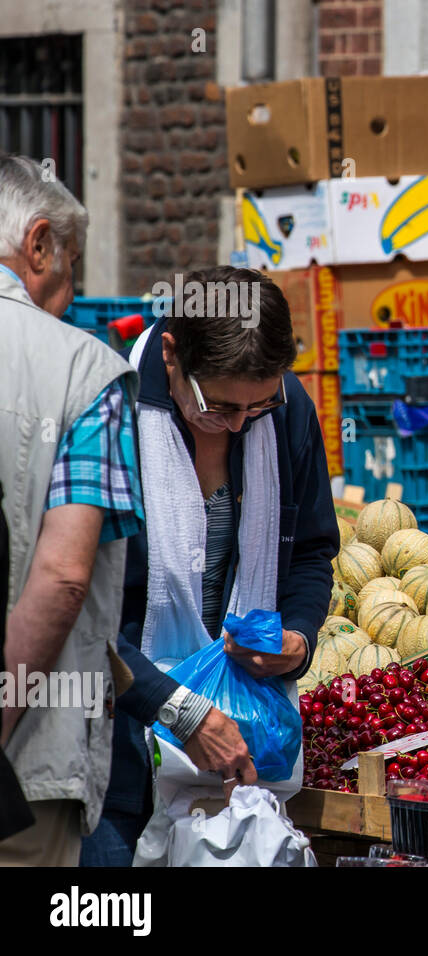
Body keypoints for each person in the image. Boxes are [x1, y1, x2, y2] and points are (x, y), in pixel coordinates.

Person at [80, 266, 338, 866]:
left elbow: (311, 550)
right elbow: (84, 614)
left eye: (259, 404)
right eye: (218, 406)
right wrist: (181, 710)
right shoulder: (106, 414)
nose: (242, 423)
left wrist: (297, 637)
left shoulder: (288, 410)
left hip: (249, 755)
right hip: (120, 754)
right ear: (170, 354)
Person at [0, 154, 143, 865]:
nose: (74, 289)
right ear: (37, 244)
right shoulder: (86, 373)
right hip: (25, 772)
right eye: (72, 264)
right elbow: (61, 579)